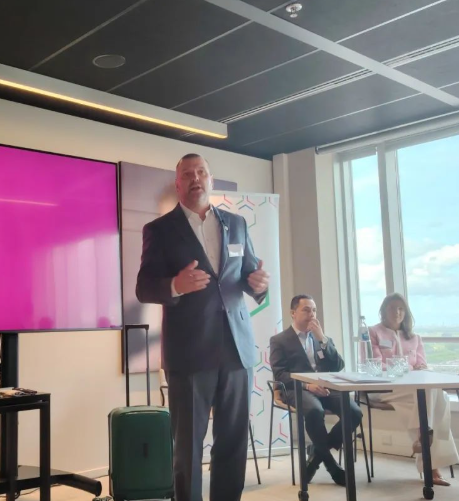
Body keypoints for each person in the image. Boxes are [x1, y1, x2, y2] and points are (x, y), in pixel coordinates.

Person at [136, 153, 269, 501]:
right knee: (188, 449)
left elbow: (250, 275)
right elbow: (144, 287)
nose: (195, 178)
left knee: (233, 442)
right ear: (178, 184)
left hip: (237, 349)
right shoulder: (159, 230)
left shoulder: (236, 223)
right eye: (187, 174)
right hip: (189, 353)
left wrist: (260, 285)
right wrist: (175, 285)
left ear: (210, 179)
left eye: (201, 172)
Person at [269, 295, 363, 486]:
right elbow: (280, 374)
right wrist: (307, 385)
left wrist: (323, 340)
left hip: (326, 387)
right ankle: (332, 466)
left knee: (354, 412)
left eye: (314, 310)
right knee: (314, 410)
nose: (311, 314)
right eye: (306, 310)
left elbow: (338, 366)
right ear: (293, 313)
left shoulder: (321, 338)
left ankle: (317, 452)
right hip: (298, 388)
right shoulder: (280, 340)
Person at [368, 292, 459, 486]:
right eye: (392, 308)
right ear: (383, 311)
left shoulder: (415, 338)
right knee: (436, 397)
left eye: (401, 308)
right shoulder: (373, 332)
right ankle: (430, 459)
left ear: (406, 312)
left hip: (412, 390)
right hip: (385, 389)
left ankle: (424, 438)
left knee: (435, 393)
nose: (397, 312)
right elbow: (376, 365)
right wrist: (408, 368)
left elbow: (422, 365)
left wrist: (417, 368)